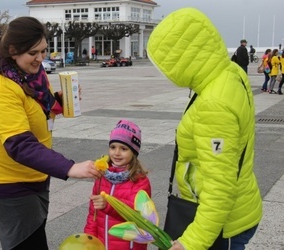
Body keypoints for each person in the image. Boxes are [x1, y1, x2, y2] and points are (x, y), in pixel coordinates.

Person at [0, 16, 102, 250]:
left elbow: (39, 106)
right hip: (7, 179)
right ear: (13, 50)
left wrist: (61, 102)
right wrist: (69, 167)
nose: (41, 58)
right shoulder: (0, 86)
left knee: (32, 230)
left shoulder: (32, 74)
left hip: (34, 173)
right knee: (27, 241)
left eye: (44, 51)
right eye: (34, 53)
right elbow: (19, 144)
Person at [147, 8, 262, 250]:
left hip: (224, 225)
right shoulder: (230, 73)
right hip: (239, 205)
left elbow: (220, 185)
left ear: (181, 60)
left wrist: (191, 242)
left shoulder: (214, 105)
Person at [84, 119, 151, 250]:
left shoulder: (140, 180)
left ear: (134, 152)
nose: (117, 153)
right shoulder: (101, 176)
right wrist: (89, 239)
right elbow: (93, 215)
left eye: (124, 148)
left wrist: (108, 205)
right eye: (113, 147)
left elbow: (137, 214)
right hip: (102, 244)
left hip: (129, 245)